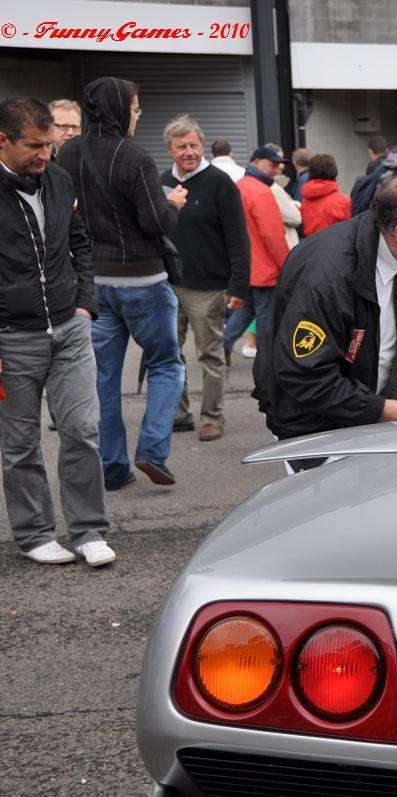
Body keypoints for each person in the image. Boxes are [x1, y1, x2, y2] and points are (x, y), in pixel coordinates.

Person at [253, 172, 397, 450]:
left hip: (379, 418)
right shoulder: (326, 279)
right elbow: (305, 375)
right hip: (318, 428)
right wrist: (378, 408)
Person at [57, 77, 187, 490]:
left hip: (94, 283)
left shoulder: (69, 153)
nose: (137, 115)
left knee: (102, 379)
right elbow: (155, 221)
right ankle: (152, 450)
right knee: (167, 365)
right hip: (144, 281)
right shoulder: (134, 157)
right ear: (117, 110)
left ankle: (113, 468)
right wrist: (173, 203)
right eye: (134, 107)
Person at [0, 97, 112, 567]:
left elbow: (79, 242)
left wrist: (86, 303)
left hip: (69, 328)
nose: (45, 153)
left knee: (83, 430)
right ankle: (35, 534)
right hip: (12, 339)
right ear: (3, 141)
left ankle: (89, 531)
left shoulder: (60, 178)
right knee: (20, 443)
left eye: (49, 143)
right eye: (34, 145)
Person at [159, 115, 250, 442]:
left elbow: (238, 237)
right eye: (181, 146)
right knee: (170, 353)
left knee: (209, 355)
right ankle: (179, 414)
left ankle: (212, 417)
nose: (189, 151)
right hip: (168, 285)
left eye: (194, 145)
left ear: (202, 146)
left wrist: (239, 284)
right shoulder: (160, 183)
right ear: (169, 148)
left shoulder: (219, 183)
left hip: (208, 287)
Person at [226, 145, 292, 361]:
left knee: (246, 310)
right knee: (266, 317)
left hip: (245, 267)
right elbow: (272, 235)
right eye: (272, 164)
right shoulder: (262, 192)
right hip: (265, 268)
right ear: (256, 161)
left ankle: (223, 345)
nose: (277, 169)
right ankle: (267, 360)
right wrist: (287, 264)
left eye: (278, 164)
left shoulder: (238, 187)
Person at [299, 153, 351, 236]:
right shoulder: (343, 201)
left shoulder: (305, 201)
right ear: (334, 171)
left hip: (311, 246)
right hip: (336, 246)